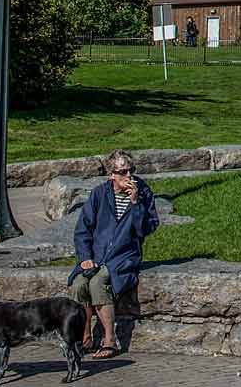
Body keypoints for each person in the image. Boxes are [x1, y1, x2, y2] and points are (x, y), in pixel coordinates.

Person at [68, 150, 160, 358]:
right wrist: (85, 257)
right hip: (97, 255)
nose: (129, 176)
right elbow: (83, 229)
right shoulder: (100, 194)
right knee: (79, 284)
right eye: (123, 172)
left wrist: (136, 203)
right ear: (112, 174)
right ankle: (85, 337)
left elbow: (146, 229)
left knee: (98, 282)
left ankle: (110, 340)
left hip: (124, 256)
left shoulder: (143, 192)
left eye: (131, 171)